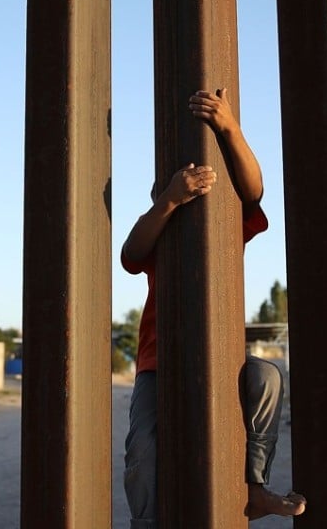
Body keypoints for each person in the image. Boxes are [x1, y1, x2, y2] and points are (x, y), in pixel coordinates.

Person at [121, 88, 306, 525]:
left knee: (265, 375)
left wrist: (228, 125)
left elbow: (254, 189)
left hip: (217, 357)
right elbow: (130, 255)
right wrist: (169, 199)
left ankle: (255, 490)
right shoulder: (160, 234)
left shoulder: (226, 229)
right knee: (142, 448)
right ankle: (144, 522)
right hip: (157, 363)